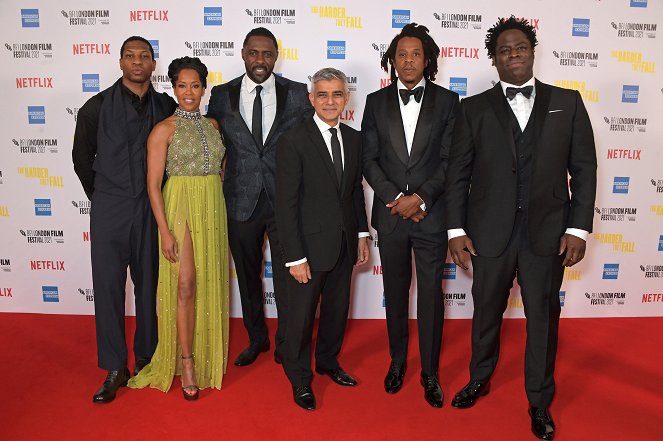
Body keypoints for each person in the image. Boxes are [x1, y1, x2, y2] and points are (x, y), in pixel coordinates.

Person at [445, 17, 597, 440]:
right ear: (494, 60)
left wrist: (579, 229)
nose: (513, 54)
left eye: (520, 47)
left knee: (543, 321)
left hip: (547, 235)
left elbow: (584, 170)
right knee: (486, 313)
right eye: (505, 50)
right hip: (488, 233)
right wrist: (455, 231)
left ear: (533, 51)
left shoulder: (568, 102)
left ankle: (539, 401)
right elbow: (458, 174)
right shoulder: (472, 108)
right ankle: (479, 378)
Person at [72, 36, 177, 404]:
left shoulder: (167, 106)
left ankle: (148, 358)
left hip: (151, 209)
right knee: (108, 287)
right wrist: (102, 197)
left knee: (150, 286)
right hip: (110, 209)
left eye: (144, 56)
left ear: (153, 64)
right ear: (120, 62)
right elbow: (81, 158)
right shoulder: (96, 106)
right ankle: (115, 366)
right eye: (130, 56)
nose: (137, 62)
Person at [361, 23, 458, 408]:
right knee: (395, 293)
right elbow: (368, 160)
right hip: (390, 215)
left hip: (431, 216)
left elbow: (451, 160)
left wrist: (419, 199)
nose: (408, 60)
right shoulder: (374, 101)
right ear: (392, 60)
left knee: (431, 296)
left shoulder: (449, 102)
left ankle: (430, 372)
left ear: (427, 59)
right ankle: (398, 361)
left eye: (415, 54)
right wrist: (396, 199)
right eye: (401, 54)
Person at [207, 27, 314, 367]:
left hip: (285, 198)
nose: (260, 60)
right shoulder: (221, 95)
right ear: (243, 53)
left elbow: (310, 142)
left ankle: (286, 342)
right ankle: (257, 339)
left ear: (276, 56)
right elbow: (215, 144)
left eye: (267, 54)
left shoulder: (297, 93)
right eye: (254, 53)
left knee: (288, 275)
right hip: (240, 198)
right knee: (248, 275)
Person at [127, 57, 228, 400]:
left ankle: (207, 354)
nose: (189, 92)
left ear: (204, 88)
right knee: (184, 284)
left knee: (207, 282)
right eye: (182, 86)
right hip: (179, 207)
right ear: (173, 88)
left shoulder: (213, 126)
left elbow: (220, 172)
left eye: (195, 85)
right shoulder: (163, 129)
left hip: (211, 208)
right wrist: (165, 231)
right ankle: (185, 361)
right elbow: (153, 185)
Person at [275, 67, 369, 411]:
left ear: (346, 98)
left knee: (336, 311)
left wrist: (361, 233)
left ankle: (328, 362)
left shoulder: (355, 138)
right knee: (299, 319)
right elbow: (285, 204)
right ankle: (299, 376)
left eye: (337, 94)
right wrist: (294, 256)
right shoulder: (293, 139)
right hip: (308, 250)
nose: (331, 101)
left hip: (343, 245)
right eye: (323, 95)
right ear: (311, 98)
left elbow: (355, 192)